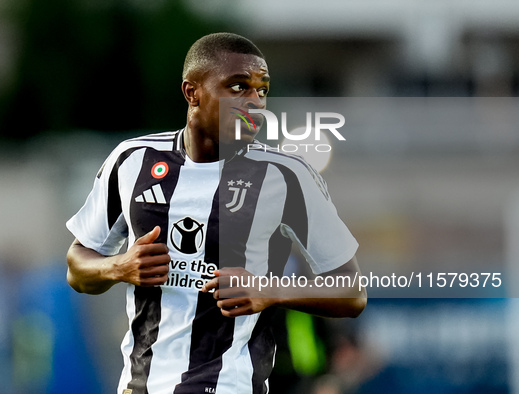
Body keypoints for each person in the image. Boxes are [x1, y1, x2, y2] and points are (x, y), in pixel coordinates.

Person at [66, 32, 366, 394]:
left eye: (262, 90)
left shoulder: (287, 175)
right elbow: (77, 266)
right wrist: (119, 267)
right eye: (238, 87)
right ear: (192, 92)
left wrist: (268, 290)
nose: (255, 102)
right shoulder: (133, 160)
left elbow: (351, 290)